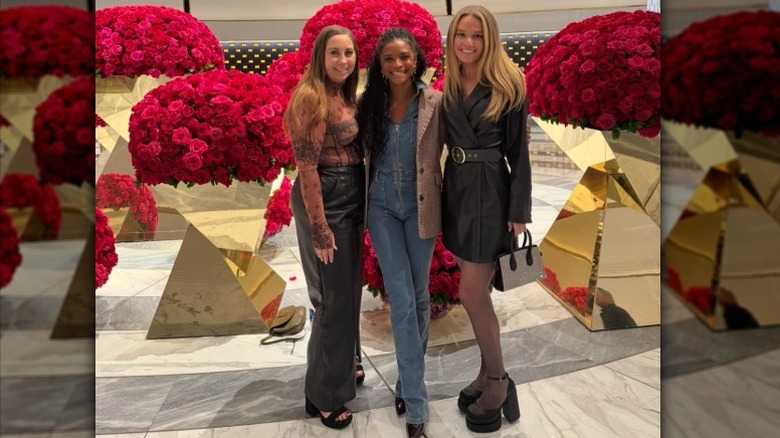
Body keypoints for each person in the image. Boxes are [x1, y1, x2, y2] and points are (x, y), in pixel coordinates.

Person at [440, 5, 529, 433]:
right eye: (462, 35)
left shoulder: (508, 84)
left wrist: (518, 212)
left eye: (476, 36)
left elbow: (520, 155)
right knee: (476, 295)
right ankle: (485, 372)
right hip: (456, 190)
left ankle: (498, 380)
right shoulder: (452, 81)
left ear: (489, 38)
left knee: (472, 293)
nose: (468, 43)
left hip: (491, 193)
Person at [356, 27, 445, 438]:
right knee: (404, 300)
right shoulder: (367, 104)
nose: (398, 65)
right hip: (383, 210)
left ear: (416, 60)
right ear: (379, 63)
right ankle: (416, 405)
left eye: (405, 57)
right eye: (389, 58)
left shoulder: (434, 102)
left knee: (421, 296)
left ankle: (407, 383)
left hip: (421, 207)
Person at [283, 25, 364, 430]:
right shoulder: (312, 96)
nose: (343, 61)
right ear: (320, 56)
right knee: (333, 298)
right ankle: (325, 395)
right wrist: (320, 228)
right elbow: (307, 167)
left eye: (348, 53)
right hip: (325, 198)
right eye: (335, 53)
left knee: (348, 291)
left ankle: (341, 368)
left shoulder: (344, 94)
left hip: (348, 195)